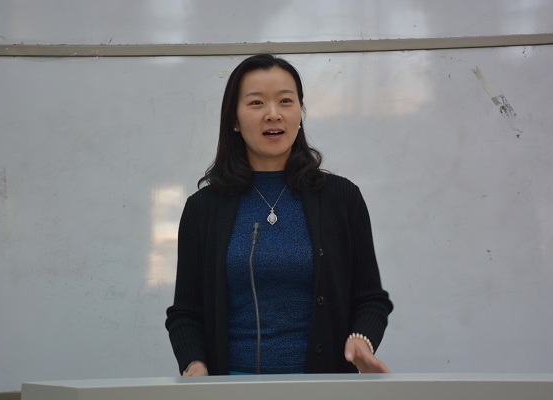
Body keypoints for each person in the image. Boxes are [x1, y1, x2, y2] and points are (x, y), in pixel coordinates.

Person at [165, 53, 393, 376]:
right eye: (256, 103)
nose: (273, 114)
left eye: (286, 101)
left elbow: (370, 299)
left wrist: (361, 339)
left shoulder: (342, 199)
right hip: (231, 388)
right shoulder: (203, 209)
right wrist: (195, 364)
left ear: (300, 112)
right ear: (234, 119)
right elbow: (185, 314)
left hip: (323, 386)